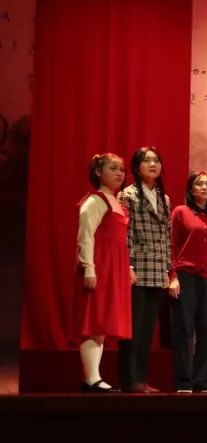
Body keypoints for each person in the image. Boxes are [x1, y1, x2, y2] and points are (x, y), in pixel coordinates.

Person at [73, 153, 133, 392]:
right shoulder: (95, 201)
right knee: (93, 321)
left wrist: (126, 268)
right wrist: (89, 268)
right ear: (98, 172)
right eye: (113, 168)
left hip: (113, 268)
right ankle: (91, 378)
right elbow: (85, 237)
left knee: (102, 323)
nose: (119, 173)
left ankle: (93, 376)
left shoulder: (116, 201)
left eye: (122, 169)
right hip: (99, 266)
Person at [170, 170, 207, 393]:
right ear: (191, 189)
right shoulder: (180, 212)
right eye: (199, 183)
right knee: (184, 328)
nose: (204, 187)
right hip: (186, 276)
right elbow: (172, 245)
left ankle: (202, 380)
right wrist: (172, 276)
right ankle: (184, 381)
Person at [117, 146, 170, 393]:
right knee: (133, 327)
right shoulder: (127, 195)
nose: (152, 164)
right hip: (136, 269)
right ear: (137, 168)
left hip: (157, 270)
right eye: (147, 160)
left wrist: (168, 270)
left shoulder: (164, 198)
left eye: (156, 160)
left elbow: (167, 236)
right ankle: (129, 378)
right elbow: (124, 233)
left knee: (148, 330)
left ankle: (140, 377)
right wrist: (126, 265)